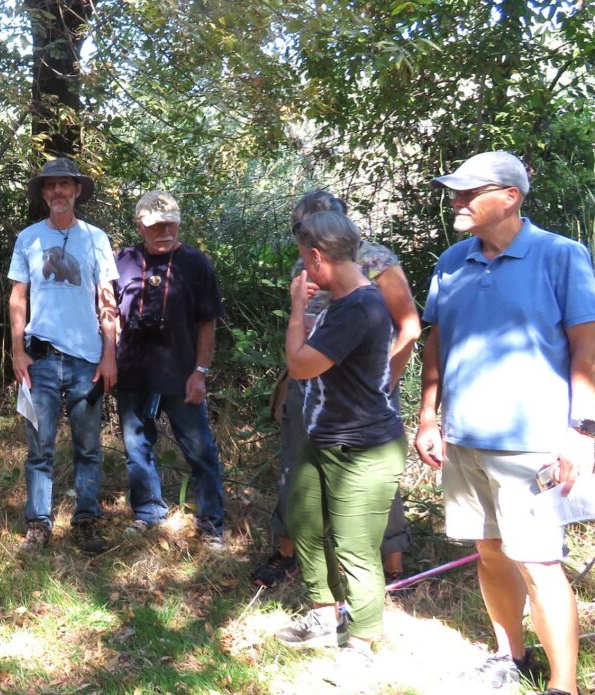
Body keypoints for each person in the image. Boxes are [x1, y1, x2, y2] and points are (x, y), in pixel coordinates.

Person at [416, 151, 595, 695]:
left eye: (469, 192)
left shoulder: (559, 256)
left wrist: (581, 431)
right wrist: (429, 416)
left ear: (510, 197)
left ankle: (563, 685)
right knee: (490, 550)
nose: (457, 200)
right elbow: (438, 339)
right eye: (455, 191)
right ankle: (510, 657)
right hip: (465, 439)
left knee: (539, 562)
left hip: (533, 446)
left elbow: (585, 349)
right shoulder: (452, 260)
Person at [252, 190, 419, 587]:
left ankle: (392, 565)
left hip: (363, 393)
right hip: (309, 384)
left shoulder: (375, 260)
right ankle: (289, 554)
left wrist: (383, 381)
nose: (311, 238)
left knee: (374, 478)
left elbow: (409, 326)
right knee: (296, 465)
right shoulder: (305, 263)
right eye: (304, 231)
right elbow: (306, 328)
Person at [273, 210, 408, 671]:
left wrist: (295, 311)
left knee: (354, 548)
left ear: (316, 256)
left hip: (364, 448)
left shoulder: (360, 306)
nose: (303, 270)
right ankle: (323, 616)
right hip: (324, 437)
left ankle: (362, 643)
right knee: (304, 521)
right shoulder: (344, 302)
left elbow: (301, 365)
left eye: (303, 261)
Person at [8, 158, 119, 555]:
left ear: (76, 191)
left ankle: (86, 520)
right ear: (43, 193)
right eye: (50, 186)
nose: (58, 192)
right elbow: (18, 297)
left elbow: (107, 300)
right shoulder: (29, 238)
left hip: (87, 361)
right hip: (40, 360)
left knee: (88, 447)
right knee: (40, 447)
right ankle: (38, 524)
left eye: (64, 185)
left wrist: (110, 354)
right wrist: (18, 352)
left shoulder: (96, 238)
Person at [113, 191, 226, 546]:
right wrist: (109, 358)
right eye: (155, 225)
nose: (164, 230)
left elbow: (208, 322)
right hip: (133, 372)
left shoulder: (196, 264)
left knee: (199, 449)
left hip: (180, 373)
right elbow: (108, 313)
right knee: (136, 448)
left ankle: (210, 522)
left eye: (170, 223)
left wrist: (201, 372)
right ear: (139, 227)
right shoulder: (124, 261)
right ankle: (148, 511)